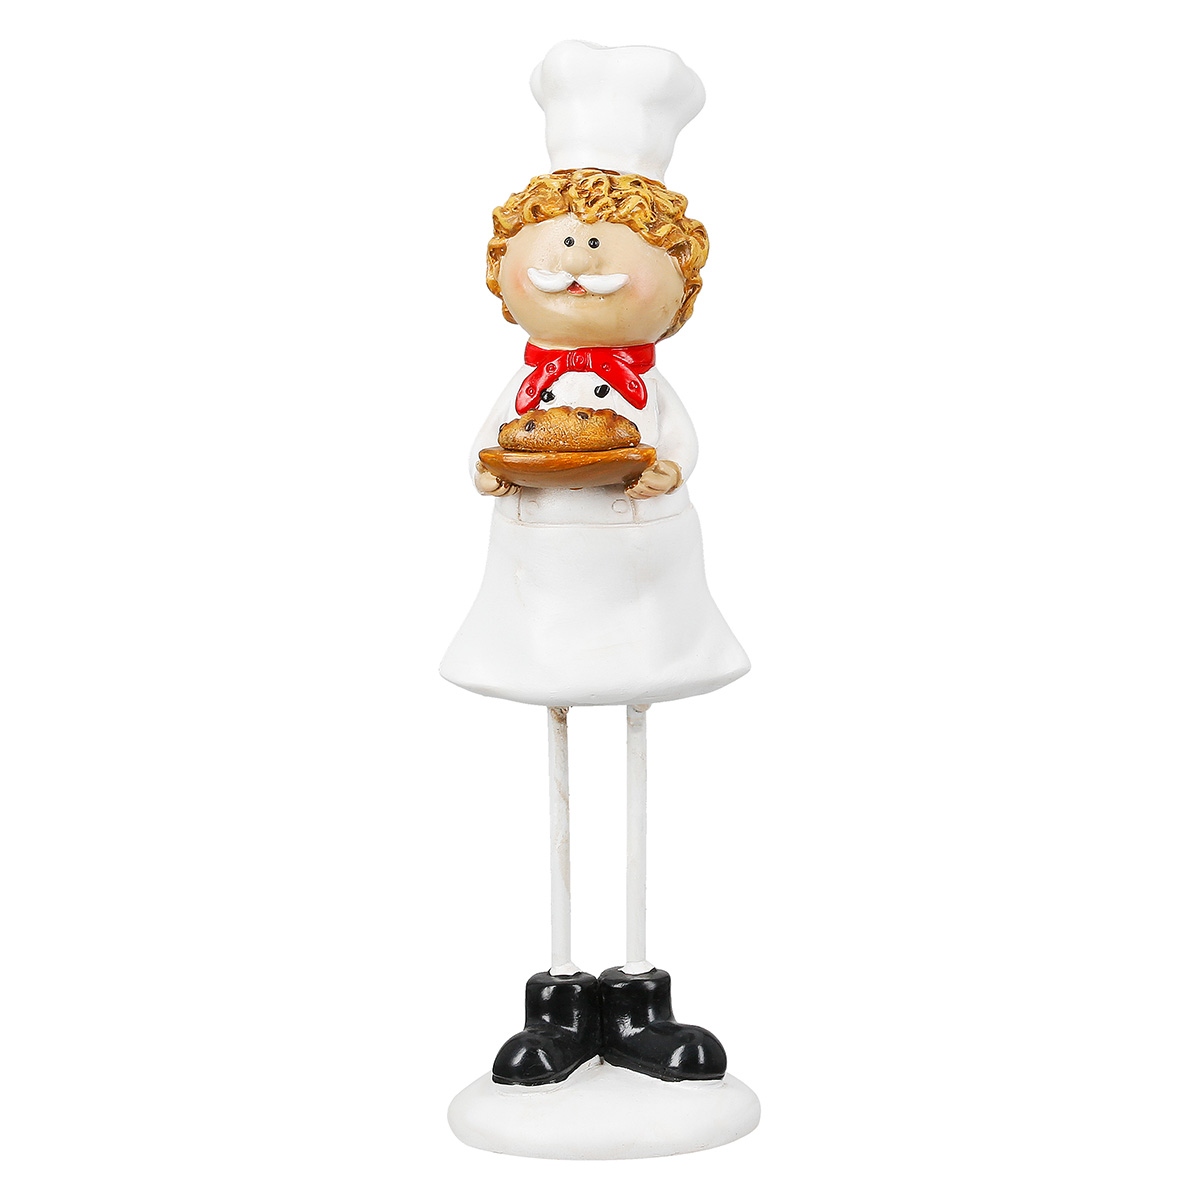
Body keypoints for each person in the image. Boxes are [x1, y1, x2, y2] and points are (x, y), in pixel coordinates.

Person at [441, 41, 749, 1088]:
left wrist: (658, 469)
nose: (577, 261)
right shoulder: (528, 384)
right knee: (560, 753)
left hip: (642, 580)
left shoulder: (645, 387)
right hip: (541, 584)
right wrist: (495, 471)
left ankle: (640, 996)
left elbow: (681, 448)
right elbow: (488, 450)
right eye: (559, 241)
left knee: (635, 751)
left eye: (604, 242)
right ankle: (563, 998)